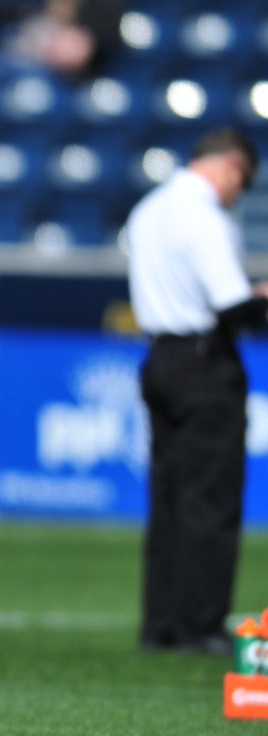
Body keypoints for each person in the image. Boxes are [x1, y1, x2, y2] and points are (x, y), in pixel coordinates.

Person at [127, 127, 264, 656]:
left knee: (168, 497)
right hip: (205, 364)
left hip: (160, 357)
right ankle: (199, 625)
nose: (238, 194)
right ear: (230, 164)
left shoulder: (149, 208)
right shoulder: (205, 217)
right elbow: (230, 305)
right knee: (210, 496)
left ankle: (159, 624)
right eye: (242, 182)